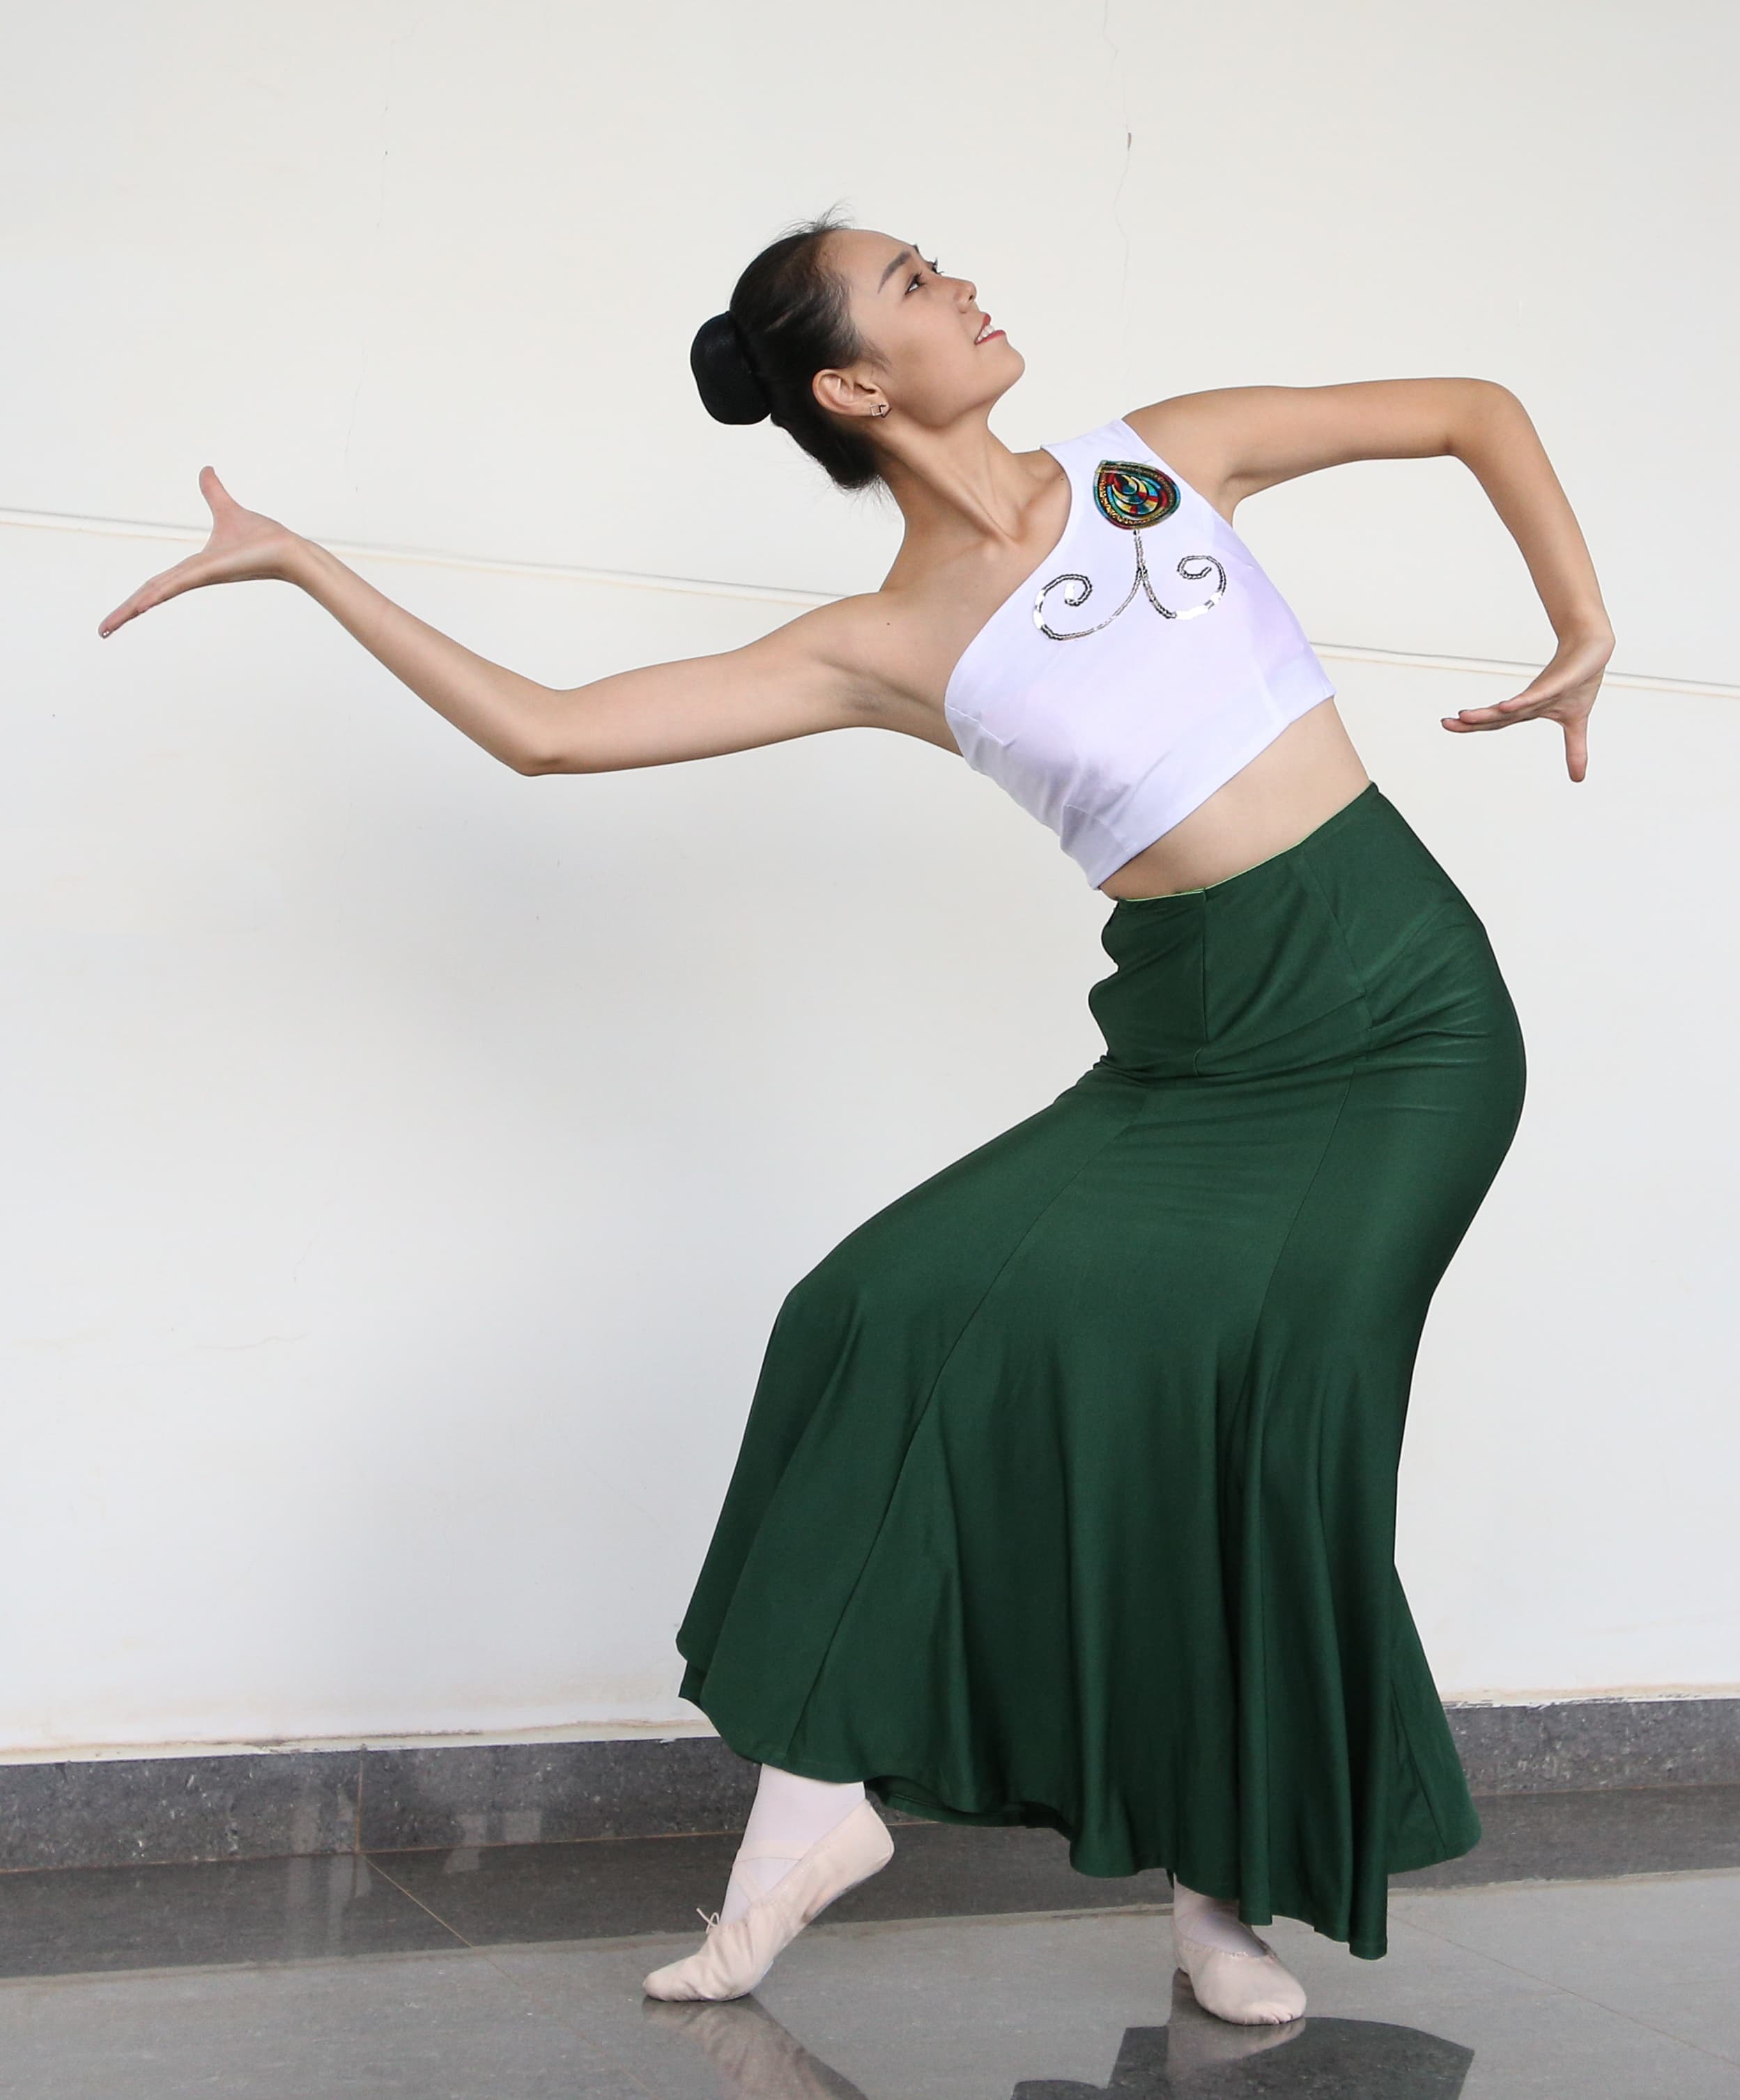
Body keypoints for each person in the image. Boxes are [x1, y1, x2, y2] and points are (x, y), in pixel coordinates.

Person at [95, 208, 1612, 2028]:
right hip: (1197, 1038)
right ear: (851, 383)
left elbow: (1469, 406)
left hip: (1405, 1022)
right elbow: (549, 730)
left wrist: (1579, 625)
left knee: (1276, 1434)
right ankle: (811, 1809)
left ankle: (1227, 1899)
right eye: (913, 284)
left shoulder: (1161, 460)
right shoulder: (884, 640)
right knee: (873, 1311)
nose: (963, 283)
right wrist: (307, 567)